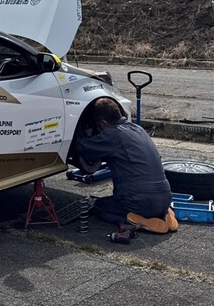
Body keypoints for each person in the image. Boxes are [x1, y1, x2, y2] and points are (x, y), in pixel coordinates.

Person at [76, 97, 178, 234]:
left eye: (97, 125)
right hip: (165, 198)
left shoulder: (113, 135)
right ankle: (166, 214)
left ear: (103, 123)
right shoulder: (138, 129)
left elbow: (83, 147)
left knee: (100, 206)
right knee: (147, 198)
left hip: (141, 203)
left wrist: (79, 129)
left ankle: (137, 222)